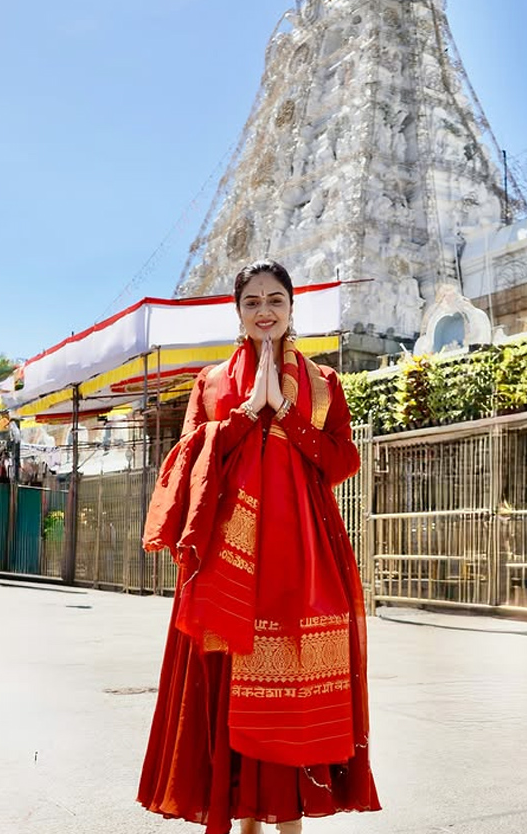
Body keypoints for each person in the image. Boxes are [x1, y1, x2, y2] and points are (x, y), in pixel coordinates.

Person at [137, 260, 381, 834]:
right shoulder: (212, 382)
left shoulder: (323, 382)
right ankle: (240, 814)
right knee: (227, 678)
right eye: (252, 302)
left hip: (304, 552)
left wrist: (290, 415)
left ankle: (288, 816)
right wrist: (248, 413)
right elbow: (188, 460)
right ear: (238, 311)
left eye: (275, 299)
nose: (264, 311)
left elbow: (344, 459)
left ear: (292, 308)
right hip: (227, 558)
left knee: (294, 678)